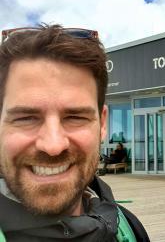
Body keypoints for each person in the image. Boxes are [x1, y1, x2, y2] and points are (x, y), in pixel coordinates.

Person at [0, 25, 149, 241]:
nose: (53, 145)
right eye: (26, 118)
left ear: (103, 123)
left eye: (75, 117)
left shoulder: (130, 230)